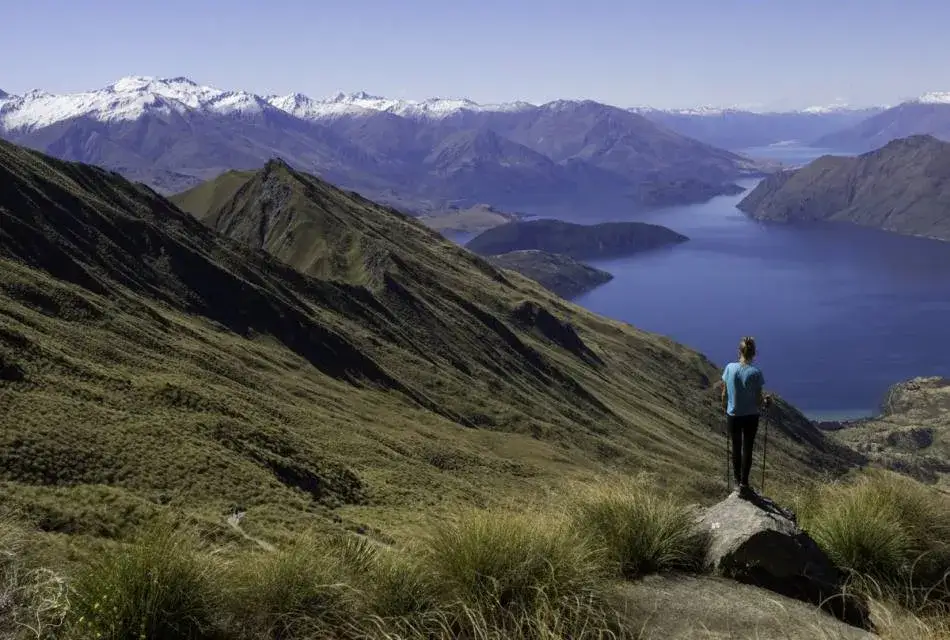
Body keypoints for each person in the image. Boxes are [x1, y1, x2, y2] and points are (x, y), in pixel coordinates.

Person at [721, 336, 771, 498]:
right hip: (751, 416)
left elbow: (724, 393)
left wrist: (725, 407)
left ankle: (736, 483)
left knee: (736, 447)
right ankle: (744, 483)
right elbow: (758, 400)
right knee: (747, 448)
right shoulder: (756, 373)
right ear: (754, 353)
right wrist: (766, 402)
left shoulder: (729, 368)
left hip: (733, 415)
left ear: (739, 351)